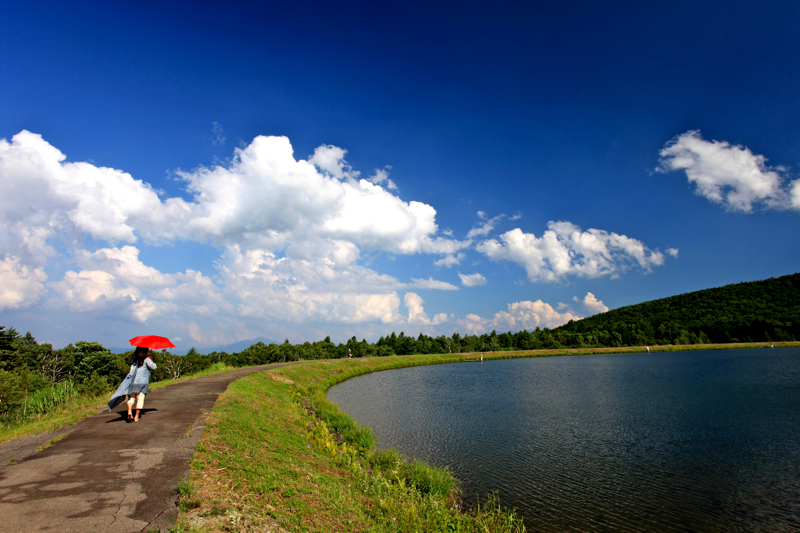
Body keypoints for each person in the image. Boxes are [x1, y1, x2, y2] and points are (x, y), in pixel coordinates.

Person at [108, 347, 157, 422]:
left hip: (134, 382)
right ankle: (137, 416)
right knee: (140, 398)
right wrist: (151, 359)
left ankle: (130, 412)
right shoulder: (147, 360)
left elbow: (131, 370)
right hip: (143, 382)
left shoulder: (135, 360)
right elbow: (154, 367)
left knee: (131, 397)